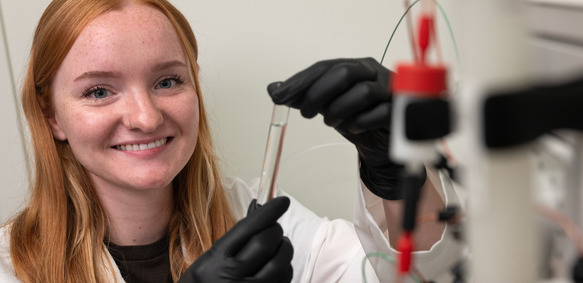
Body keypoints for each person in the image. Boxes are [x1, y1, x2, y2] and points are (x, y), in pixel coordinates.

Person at [0, 0, 463, 282]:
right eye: (99, 91)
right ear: (51, 116)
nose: (144, 117)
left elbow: (409, 276)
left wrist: (396, 174)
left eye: (167, 82)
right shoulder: (9, 268)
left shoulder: (260, 223)